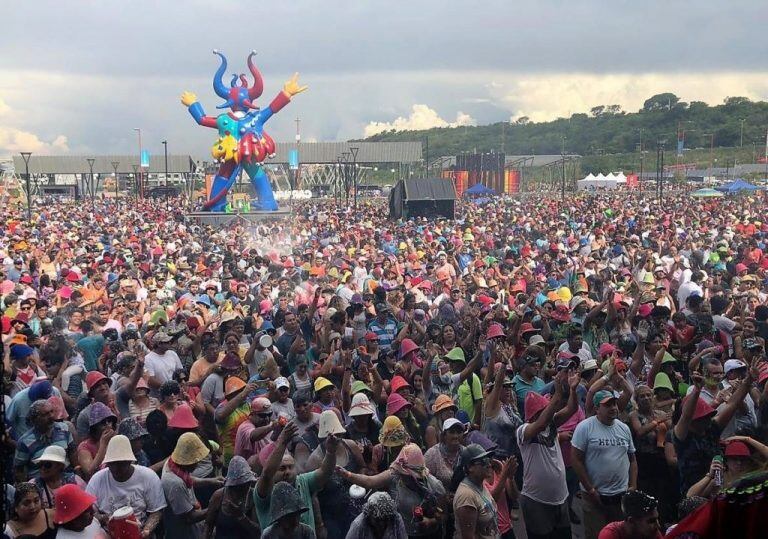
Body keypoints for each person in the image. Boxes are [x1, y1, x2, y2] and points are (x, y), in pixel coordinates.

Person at [516, 369, 579, 539]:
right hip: (537, 501)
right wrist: (557, 392)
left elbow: (572, 409)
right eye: (543, 408)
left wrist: (572, 390)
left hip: (560, 496)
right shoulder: (523, 431)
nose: (548, 411)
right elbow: (541, 423)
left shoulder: (551, 424)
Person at [338, 443, 448, 538]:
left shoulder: (435, 486)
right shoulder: (396, 474)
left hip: (430, 535)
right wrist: (347, 474)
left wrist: (431, 522)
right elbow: (370, 482)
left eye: (405, 474)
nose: (402, 475)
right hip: (403, 532)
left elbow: (444, 515)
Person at [571, 389, 637, 539]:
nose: (613, 407)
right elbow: (575, 460)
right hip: (595, 497)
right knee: (597, 534)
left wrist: (633, 486)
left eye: (614, 403)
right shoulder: (585, 427)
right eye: (607, 405)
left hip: (620, 495)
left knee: (621, 534)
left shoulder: (623, 428)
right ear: (596, 409)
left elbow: (632, 459)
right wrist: (591, 489)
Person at [254, 421, 338, 531]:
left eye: (290, 467)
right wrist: (283, 441)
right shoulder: (264, 491)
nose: (287, 472)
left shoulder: (303, 481)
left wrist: (331, 452)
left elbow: (325, 472)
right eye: (282, 468)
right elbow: (267, 474)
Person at [86, 434, 166, 538]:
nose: (115, 468)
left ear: (129, 462)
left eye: (121, 464)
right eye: (111, 464)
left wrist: (146, 530)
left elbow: (156, 511)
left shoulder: (148, 477)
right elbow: (88, 513)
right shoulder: (97, 480)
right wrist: (105, 518)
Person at [161, 432, 211, 538]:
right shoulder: (175, 484)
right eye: (195, 461)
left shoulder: (173, 463)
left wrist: (212, 481)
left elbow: (188, 480)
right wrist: (214, 508)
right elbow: (190, 518)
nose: (197, 464)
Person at [14, 399, 76, 482]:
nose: (51, 416)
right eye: (45, 414)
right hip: (40, 483)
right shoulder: (25, 441)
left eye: (51, 412)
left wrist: (78, 471)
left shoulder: (63, 428)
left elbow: (72, 452)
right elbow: (19, 470)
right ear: (35, 419)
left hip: (66, 478)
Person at [203, 455, 260, 539]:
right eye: (237, 487)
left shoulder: (253, 497)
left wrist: (241, 516)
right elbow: (208, 525)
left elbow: (258, 532)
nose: (242, 489)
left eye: (245, 485)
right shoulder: (219, 496)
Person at [452, 443, 500, 539]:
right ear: (470, 467)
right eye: (483, 461)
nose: (489, 465)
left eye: (488, 460)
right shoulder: (466, 496)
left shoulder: (479, 484)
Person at [31, 445, 87, 509]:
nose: (43, 468)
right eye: (40, 464)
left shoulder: (75, 481)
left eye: (47, 465)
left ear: (59, 466)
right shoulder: (33, 485)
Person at [597, 490, 662, 539]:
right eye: (651, 521)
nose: (658, 526)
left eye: (657, 519)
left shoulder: (652, 532)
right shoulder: (610, 534)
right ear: (632, 521)